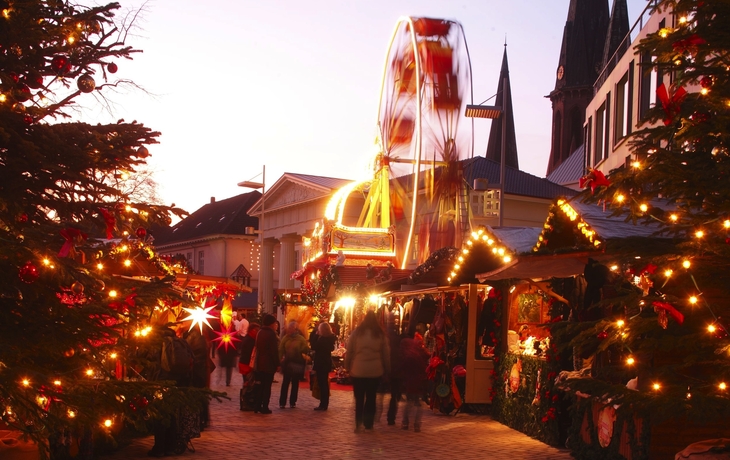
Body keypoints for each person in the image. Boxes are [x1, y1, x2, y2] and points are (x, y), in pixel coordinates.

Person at [345, 310, 390, 433]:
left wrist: (347, 366)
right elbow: (386, 354)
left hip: (358, 370)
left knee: (359, 399)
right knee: (371, 398)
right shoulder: (380, 334)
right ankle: (368, 424)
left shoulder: (357, 333)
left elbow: (350, 351)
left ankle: (358, 423)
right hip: (375, 371)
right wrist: (387, 369)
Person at [400, 336, 429, 432]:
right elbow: (423, 367)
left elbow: (402, 369)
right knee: (418, 403)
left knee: (409, 402)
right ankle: (417, 424)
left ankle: (405, 422)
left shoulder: (406, 356)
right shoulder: (417, 354)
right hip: (418, 382)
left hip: (410, 382)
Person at [278, 321, 309, 409]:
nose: (290, 330)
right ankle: (282, 402)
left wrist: (302, 351)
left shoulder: (301, 339)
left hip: (297, 363)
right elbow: (281, 349)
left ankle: (292, 402)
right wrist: (280, 359)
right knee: (285, 383)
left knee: (295, 383)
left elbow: (305, 349)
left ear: (295, 329)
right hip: (287, 363)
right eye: (289, 328)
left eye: (291, 328)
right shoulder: (285, 338)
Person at [252, 314, 279, 414]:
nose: (276, 325)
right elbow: (274, 351)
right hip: (268, 364)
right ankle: (265, 407)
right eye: (275, 323)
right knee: (267, 386)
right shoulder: (271, 334)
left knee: (260, 385)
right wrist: (277, 363)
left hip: (259, 363)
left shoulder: (260, 332)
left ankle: (257, 405)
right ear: (271, 324)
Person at [310, 321, 336, 411]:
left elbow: (313, 346)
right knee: (323, 383)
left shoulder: (323, 340)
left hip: (321, 363)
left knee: (323, 384)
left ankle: (323, 404)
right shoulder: (329, 339)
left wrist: (316, 335)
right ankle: (324, 403)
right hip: (325, 362)